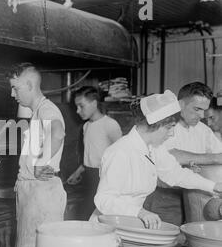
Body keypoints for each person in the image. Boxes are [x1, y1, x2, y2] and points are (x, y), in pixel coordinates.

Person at [92, 90, 222, 229]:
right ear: (154, 124)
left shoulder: (154, 148)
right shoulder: (120, 152)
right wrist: (140, 212)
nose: (171, 134)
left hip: (129, 223)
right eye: (169, 127)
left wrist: (213, 186)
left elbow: (176, 174)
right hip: (107, 225)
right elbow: (104, 199)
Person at [8, 63, 66, 247]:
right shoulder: (38, 111)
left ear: (30, 85)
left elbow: (58, 132)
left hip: (41, 196)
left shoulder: (47, 110)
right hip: (35, 195)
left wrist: (42, 162)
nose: (12, 94)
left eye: (15, 88)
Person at [160, 82, 222, 223]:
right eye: (197, 109)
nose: (202, 115)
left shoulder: (203, 130)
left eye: (204, 110)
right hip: (167, 198)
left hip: (195, 194)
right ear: (180, 104)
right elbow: (171, 155)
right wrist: (212, 159)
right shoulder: (164, 125)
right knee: (170, 239)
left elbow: (220, 155)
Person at [66, 86, 122, 219]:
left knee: (98, 216)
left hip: (104, 179)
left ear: (94, 103)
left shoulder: (110, 124)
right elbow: (90, 155)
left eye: (81, 106)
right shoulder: (86, 126)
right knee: (86, 215)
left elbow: (121, 156)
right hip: (89, 178)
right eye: (76, 107)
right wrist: (78, 172)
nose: (78, 111)